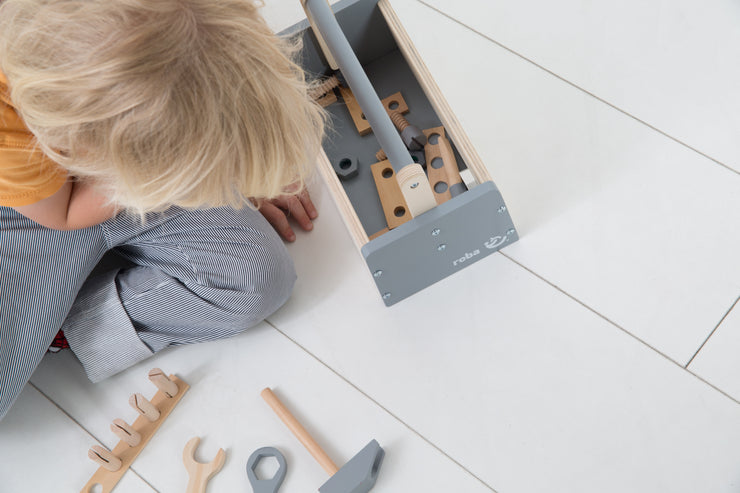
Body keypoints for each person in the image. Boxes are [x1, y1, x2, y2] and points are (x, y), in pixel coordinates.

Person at [0, 0, 326, 420]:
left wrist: (226, 143)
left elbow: (197, 36)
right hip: (36, 202)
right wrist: (199, 165)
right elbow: (62, 214)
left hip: (87, 151)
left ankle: (60, 323)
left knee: (251, 275)